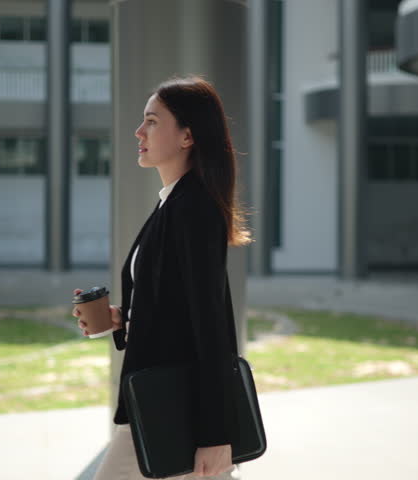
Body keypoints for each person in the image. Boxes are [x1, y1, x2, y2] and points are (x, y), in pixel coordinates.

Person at [72, 76, 251, 480]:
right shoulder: (172, 203)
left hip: (175, 410)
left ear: (187, 136)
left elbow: (211, 323)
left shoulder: (193, 208)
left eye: (152, 121)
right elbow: (176, 306)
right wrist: (121, 318)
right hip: (160, 405)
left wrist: (216, 435)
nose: (139, 131)